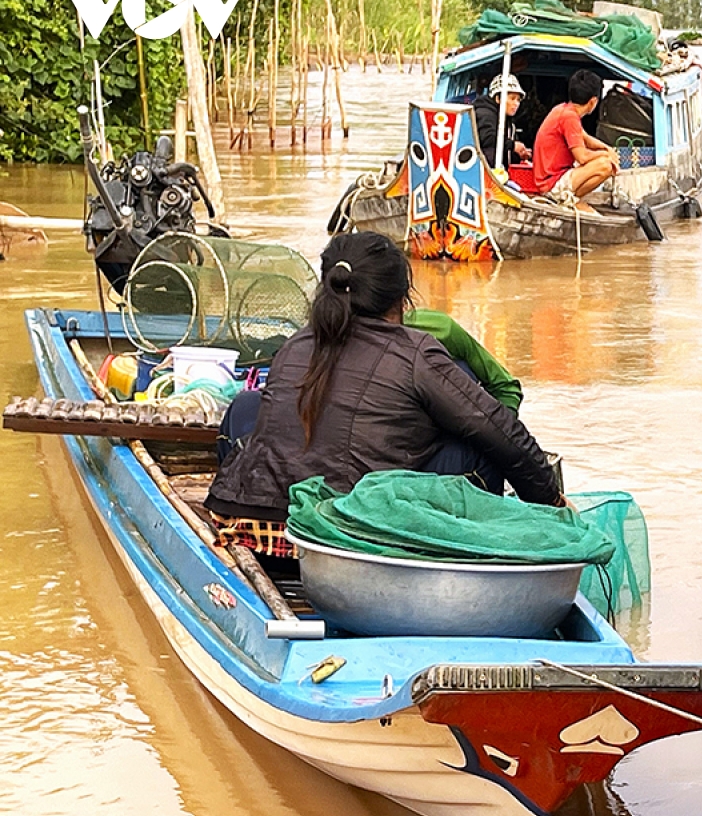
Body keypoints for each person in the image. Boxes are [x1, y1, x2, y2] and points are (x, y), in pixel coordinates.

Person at [205, 232, 566, 560]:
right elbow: (501, 430)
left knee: (247, 406)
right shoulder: (416, 352)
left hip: (260, 525)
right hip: (350, 536)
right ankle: (466, 550)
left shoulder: (295, 344)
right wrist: (550, 501)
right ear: (400, 299)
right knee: (481, 448)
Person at [529, 69, 619, 204]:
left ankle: (571, 198)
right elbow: (582, 157)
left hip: (551, 178)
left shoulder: (563, 109)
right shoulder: (569, 117)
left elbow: (586, 139)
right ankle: (569, 199)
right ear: (593, 101)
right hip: (551, 184)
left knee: (604, 159)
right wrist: (606, 155)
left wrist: (608, 149)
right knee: (606, 165)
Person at [472, 73, 530, 166]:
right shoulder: (485, 114)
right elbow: (487, 138)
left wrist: (519, 154)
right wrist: (513, 145)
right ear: (498, 98)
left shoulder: (507, 121)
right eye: (512, 98)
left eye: (518, 100)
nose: (516, 103)